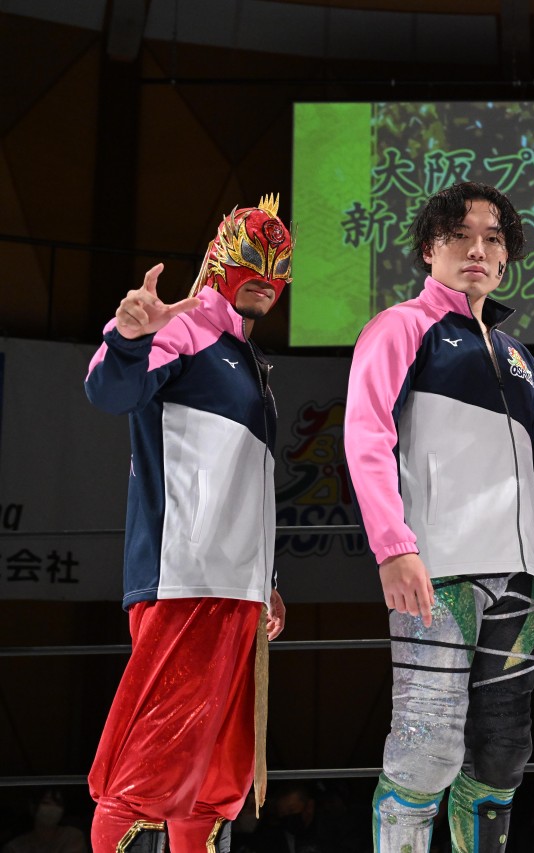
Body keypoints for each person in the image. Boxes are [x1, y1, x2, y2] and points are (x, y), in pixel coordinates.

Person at [345, 181, 534, 853]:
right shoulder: (400, 327)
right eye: (459, 236)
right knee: (426, 747)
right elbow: (366, 436)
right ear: (429, 249)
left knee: (503, 752)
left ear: (507, 256)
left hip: (520, 578)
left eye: (492, 239)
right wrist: (394, 547)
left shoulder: (518, 356)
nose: (477, 250)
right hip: (437, 571)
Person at [84, 197, 291, 853]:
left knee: (214, 784)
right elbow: (109, 391)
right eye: (253, 256)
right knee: (149, 777)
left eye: (280, 264)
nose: (267, 275)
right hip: (185, 580)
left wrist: (267, 581)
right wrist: (127, 337)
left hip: (236, 589)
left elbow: (245, 483)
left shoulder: (246, 357)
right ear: (220, 257)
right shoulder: (188, 327)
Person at [2, 790, 86, 853]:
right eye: (46, 803)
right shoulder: (15, 847)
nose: (52, 808)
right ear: (33, 807)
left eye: (58, 804)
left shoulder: (71, 836)